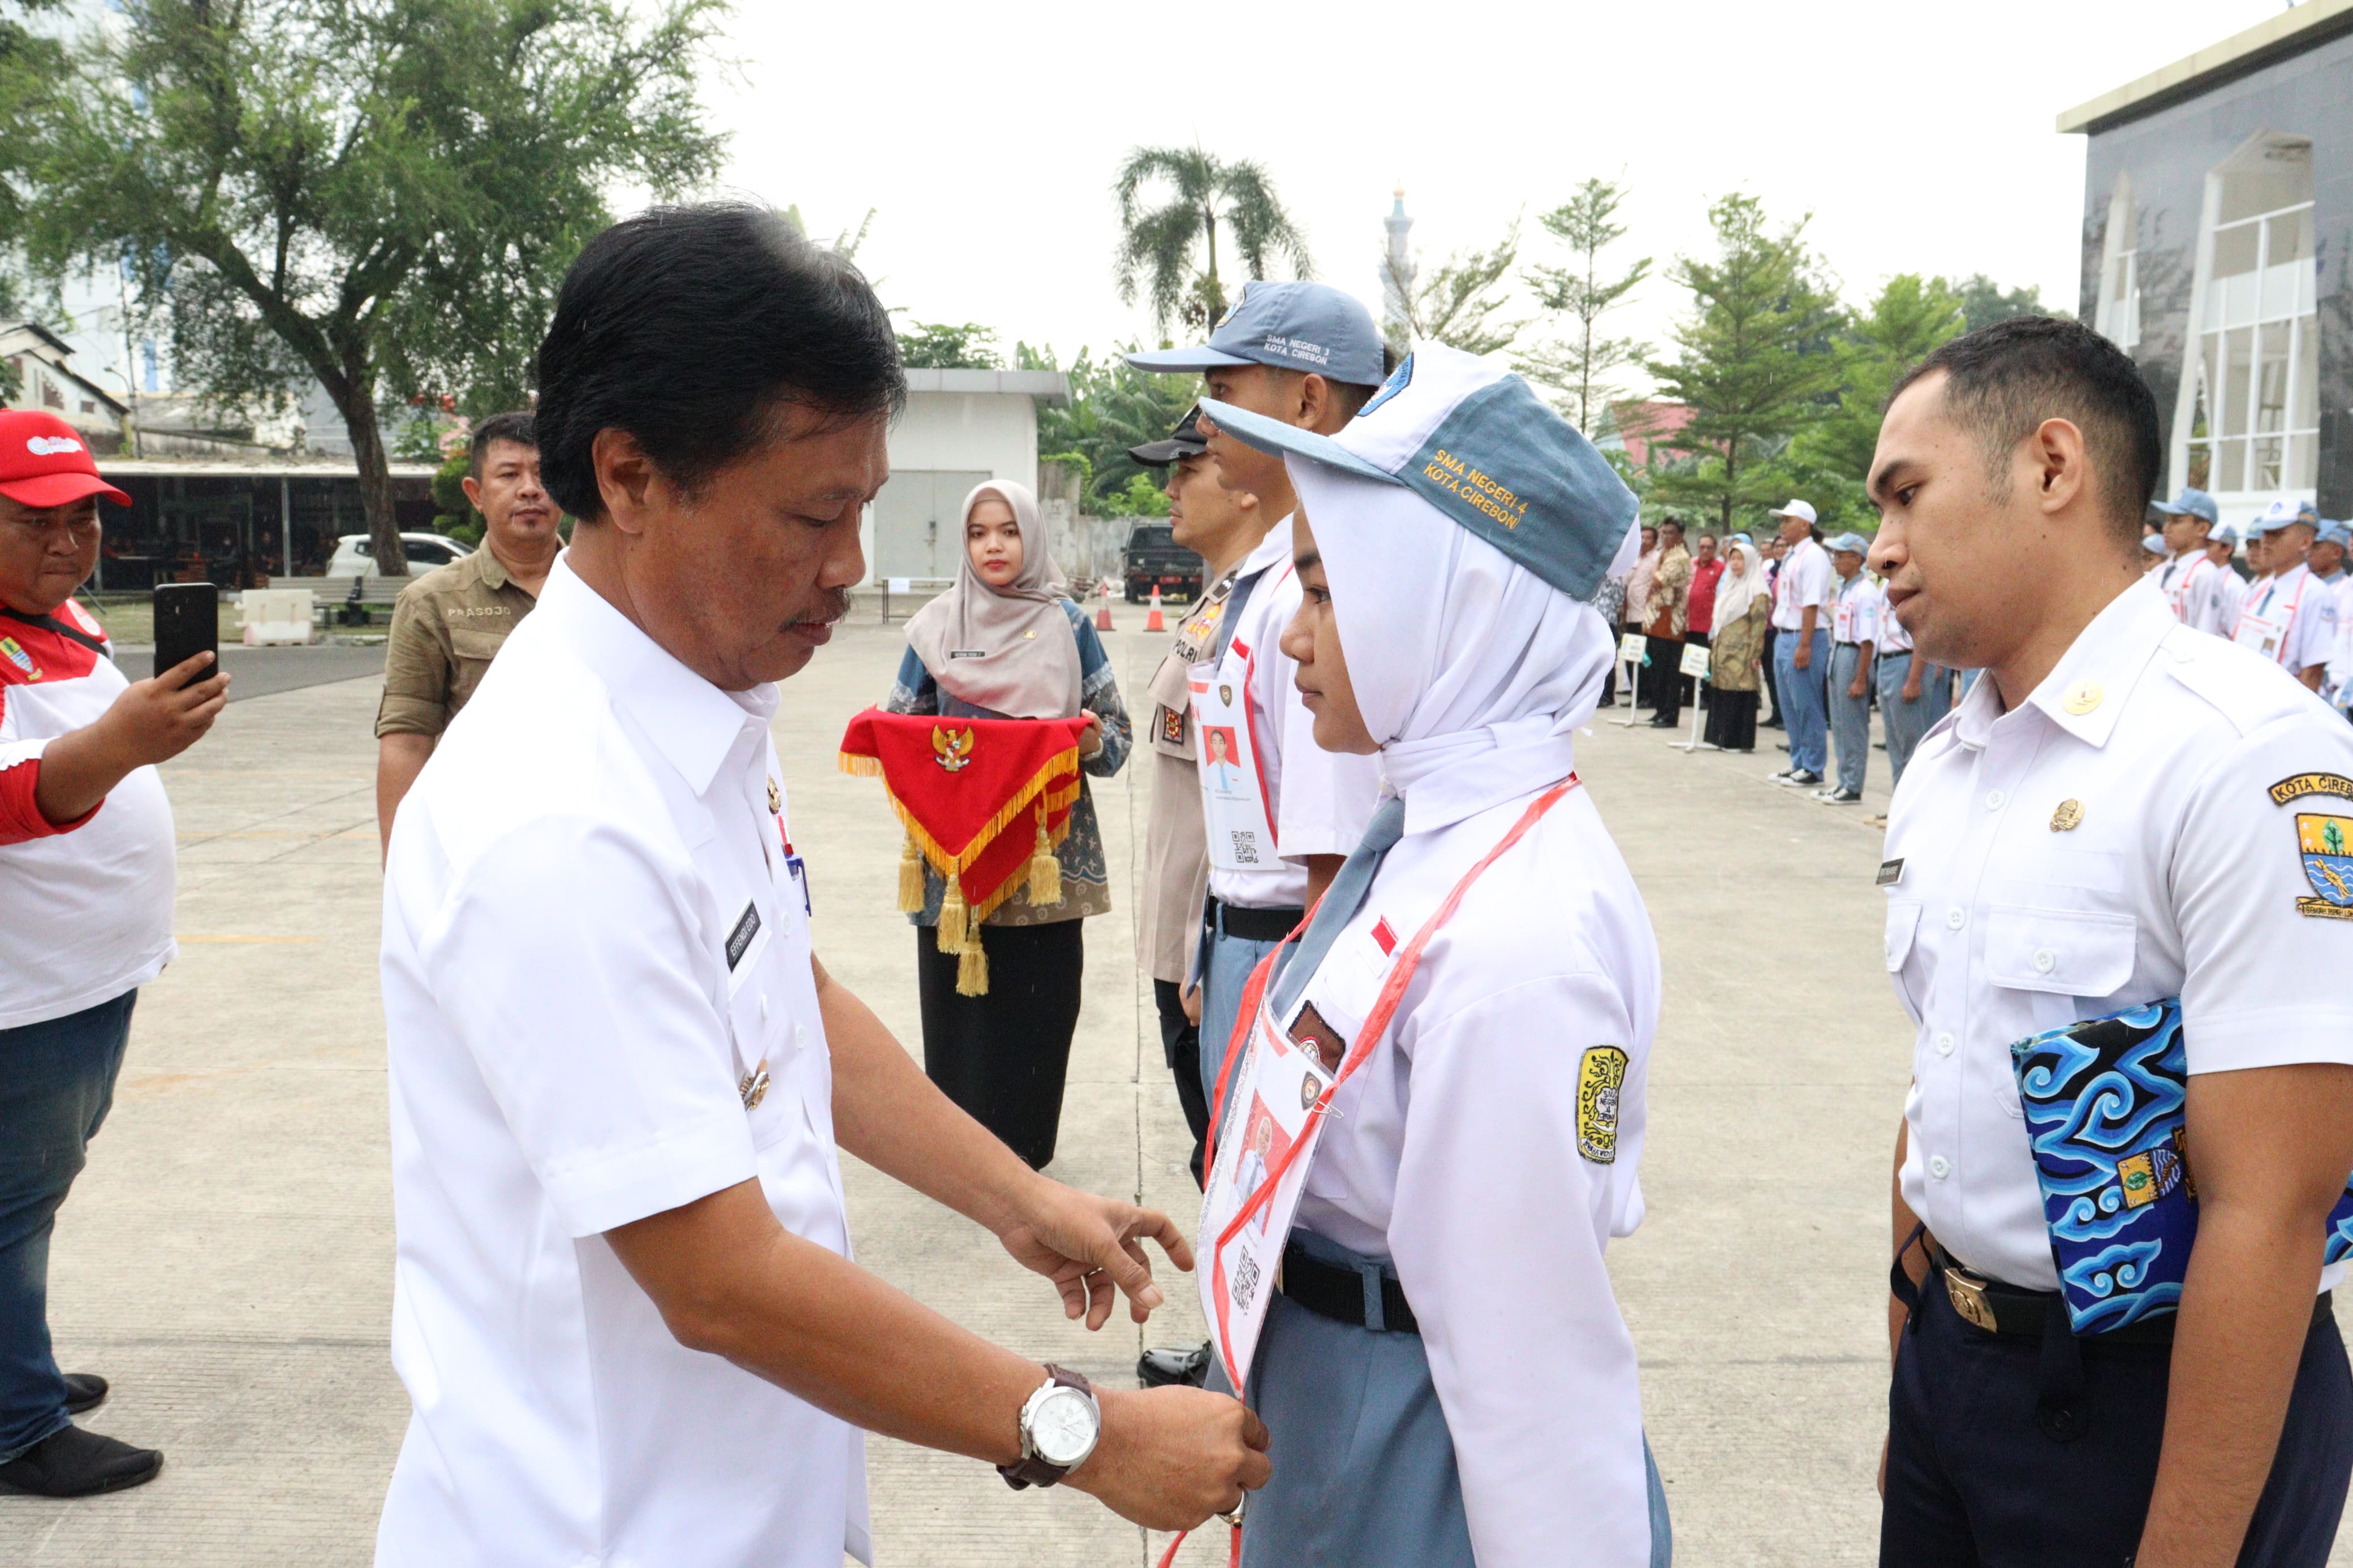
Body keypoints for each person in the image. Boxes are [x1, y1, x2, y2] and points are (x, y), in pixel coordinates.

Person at [374, 204, 1266, 1567]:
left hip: (750, 1501)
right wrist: (1089, 1434)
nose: (849, 566)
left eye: (864, 506)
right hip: (606, 1529)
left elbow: (786, 997)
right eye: (813, 513)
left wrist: (1016, 1197)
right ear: (629, 477)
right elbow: (721, 1284)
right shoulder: (553, 819)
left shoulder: (698, 715)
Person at [1869, 314, 2353, 1566]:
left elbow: (2273, 1201)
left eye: (1907, 496)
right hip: (1954, 1367)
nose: (1880, 549)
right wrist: (1913, 1358)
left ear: (2048, 465)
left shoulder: (2246, 752)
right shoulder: (1944, 761)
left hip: (2156, 1397)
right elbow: (1941, 1074)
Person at [1196, 343, 1669, 1567]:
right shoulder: (1431, 831)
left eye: (1325, 590)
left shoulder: (1519, 936)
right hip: (1342, 1399)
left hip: (1418, 1450)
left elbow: (1532, 1367)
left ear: (1450, 603)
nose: (1294, 638)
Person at [0, 411, 229, 1497]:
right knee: (9, 1202)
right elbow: (14, 795)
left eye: (86, 516)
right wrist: (121, 743)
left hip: (81, 977)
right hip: (21, 992)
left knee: (33, 1192)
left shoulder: (62, 614)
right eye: (36, 520)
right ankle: (13, 1423)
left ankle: (18, 1363)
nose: (70, 541)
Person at [1124, 280, 1386, 1159]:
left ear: (1308, 402)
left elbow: (1336, 846)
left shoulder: (1328, 584)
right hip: (1242, 937)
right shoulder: (1269, 576)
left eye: (1225, 394)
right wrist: (1211, 944)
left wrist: (1296, 1002)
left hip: (1292, 950)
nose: (1203, 422)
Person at [885, 480, 1130, 1172]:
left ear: (1030, 537)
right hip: (955, 865)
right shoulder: (935, 627)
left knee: (1039, 1011)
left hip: (1046, 859)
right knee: (960, 1016)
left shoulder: (1068, 625)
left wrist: (1078, 741)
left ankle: (1026, 1157)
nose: (993, 545)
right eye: (977, 533)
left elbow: (1116, 738)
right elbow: (899, 728)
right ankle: (963, 1163)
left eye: (1007, 531)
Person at [1127, 408, 1264, 1196]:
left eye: (1191, 465)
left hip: (1209, 959)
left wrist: (1209, 949)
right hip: (1186, 951)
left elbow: (1246, 809)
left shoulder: (1260, 612)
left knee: (1235, 1170)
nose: (1171, 486)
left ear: (1245, 485)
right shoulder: (1219, 601)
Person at [374, 411, 558, 852]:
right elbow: (407, 743)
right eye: (509, 474)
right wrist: (403, 874)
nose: (530, 488)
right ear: (476, 494)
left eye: (543, 473)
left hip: (599, 846)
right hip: (484, 845)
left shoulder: (609, 591)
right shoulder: (432, 602)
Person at [2234, 500, 2333, 692]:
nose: (2266, 541)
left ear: (2306, 542)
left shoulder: (2314, 594)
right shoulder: (2259, 588)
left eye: (2277, 534)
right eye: (2265, 533)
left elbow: (2311, 675)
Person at [1766, 500, 1832, 787]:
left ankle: (1813, 766)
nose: (1782, 526)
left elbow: (1811, 603)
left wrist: (1804, 645)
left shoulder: (1814, 555)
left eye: (1787, 520)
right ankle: (1799, 762)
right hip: (1785, 635)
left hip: (1803, 636)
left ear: (1804, 524)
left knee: (1807, 705)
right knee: (1789, 706)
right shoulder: (1793, 555)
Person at [1872, 560, 1947, 789]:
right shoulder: (1886, 585)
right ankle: (1898, 804)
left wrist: (1914, 679)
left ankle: (1913, 810)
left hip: (1905, 663)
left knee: (1911, 745)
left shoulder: (1915, 583)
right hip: (1888, 661)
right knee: (1895, 743)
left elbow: (1920, 634)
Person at [1818, 532, 1880, 805]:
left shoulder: (1865, 592)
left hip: (1854, 656)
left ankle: (1853, 785)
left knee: (1853, 726)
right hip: (1840, 652)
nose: (1836, 561)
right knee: (1840, 724)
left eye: (1841, 556)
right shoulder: (1846, 588)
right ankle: (1843, 780)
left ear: (1857, 558)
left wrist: (1860, 679)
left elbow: (1867, 640)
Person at [1703, 539, 1769, 751]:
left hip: (1743, 653)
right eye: (1733, 558)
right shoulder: (1730, 586)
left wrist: (1755, 654)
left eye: (1741, 559)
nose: (1736, 563)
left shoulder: (1758, 590)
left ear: (1750, 561)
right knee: (1722, 691)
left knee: (1740, 693)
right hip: (1724, 650)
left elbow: (1760, 625)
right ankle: (1720, 738)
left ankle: (1738, 741)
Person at [1644, 519, 1692, 729]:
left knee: (1670, 671)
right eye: (1663, 532)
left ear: (1680, 536)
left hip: (1671, 619)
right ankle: (1661, 710)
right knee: (1658, 669)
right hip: (1657, 617)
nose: (1665, 537)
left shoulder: (1680, 556)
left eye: (1670, 533)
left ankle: (1670, 714)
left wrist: (1654, 577)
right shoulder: (1666, 554)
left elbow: (1658, 580)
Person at [1684, 530, 1724, 710]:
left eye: (1709, 547)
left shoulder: (1721, 568)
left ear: (1715, 549)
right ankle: (1690, 695)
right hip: (1689, 623)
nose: (1705, 550)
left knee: (1706, 664)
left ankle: (1706, 697)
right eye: (1702, 547)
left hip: (1708, 625)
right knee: (1690, 660)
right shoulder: (1691, 565)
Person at [1624, 523, 1660, 707]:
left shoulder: (1656, 559)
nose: (1644, 541)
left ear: (1655, 541)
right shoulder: (1634, 558)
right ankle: (1637, 694)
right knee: (1631, 657)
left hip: (1645, 618)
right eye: (1642, 537)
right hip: (1631, 615)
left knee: (1644, 658)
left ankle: (1648, 696)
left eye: (1648, 538)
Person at [2312, 519, 2348, 586]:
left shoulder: (2347, 589)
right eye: (2309, 546)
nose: (2309, 552)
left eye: (2316, 547)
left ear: (2337, 553)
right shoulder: (2306, 582)